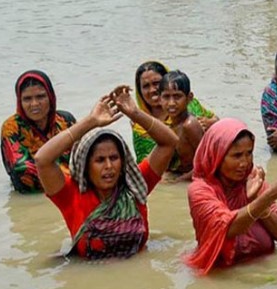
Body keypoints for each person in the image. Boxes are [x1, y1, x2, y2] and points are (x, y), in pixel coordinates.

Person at [34, 85, 179, 259]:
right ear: (86, 166)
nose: (109, 166)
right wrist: (91, 121)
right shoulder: (72, 194)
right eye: (100, 160)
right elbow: (42, 160)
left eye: (114, 158)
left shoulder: (135, 186)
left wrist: (134, 113)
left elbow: (170, 142)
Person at [186, 118, 277, 275]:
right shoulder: (200, 190)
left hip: (263, 273)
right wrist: (267, 197)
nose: (244, 163)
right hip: (222, 276)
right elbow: (227, 228)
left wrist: (256, 199)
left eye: (249, 153)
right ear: (217, 157)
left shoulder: (252, 180)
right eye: (236, 156)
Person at [1, 70, 76, 193]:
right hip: (32, 193)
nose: (34, 104)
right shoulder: (12, 127)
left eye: (40, 97)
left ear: (51, 97)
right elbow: (21, 168)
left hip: (68, 188)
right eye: (27, 99)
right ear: (20, 102)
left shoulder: (65, 120)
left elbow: (83, 154)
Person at [132, 61, 218, 161]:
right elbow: (146, 163)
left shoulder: (189, 106)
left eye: (156, 83)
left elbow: (216, 123)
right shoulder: (140, 126)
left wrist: (209, 123)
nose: (152, 90)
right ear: (139, 91)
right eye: (146, 86)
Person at [159, 70, 204, 181]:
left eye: (177, 96)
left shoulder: (189, 125)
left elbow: (206, 162)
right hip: (179, 176)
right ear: (159, 99)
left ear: (189, 98)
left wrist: (178, 182)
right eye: (166, 97)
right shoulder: (168, 125)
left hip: (193, 180)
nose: (171, 103)